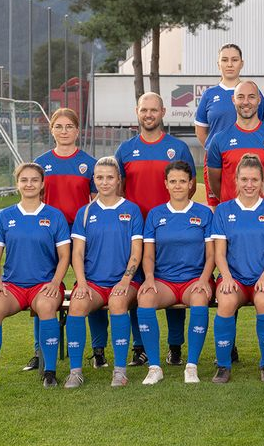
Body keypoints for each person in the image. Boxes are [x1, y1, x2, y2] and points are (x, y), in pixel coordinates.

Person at [115, 92, 196, 367]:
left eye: (153, 110)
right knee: (141, 286)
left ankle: (175, 347)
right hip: (136, 231)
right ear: (136, 112)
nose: (148, 114)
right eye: (143, 110)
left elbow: (190, 185)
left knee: (175, 281)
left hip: (171, 230)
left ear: (163, 112)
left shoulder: (178, 147)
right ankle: (140, 347)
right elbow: (119, 189)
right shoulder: (125, 150)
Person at [0, 163, 71, 390]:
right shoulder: (5, 216)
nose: (29, 184)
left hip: (44, 285)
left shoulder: (54, 216)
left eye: (34, 180)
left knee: (47, 306)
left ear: (42, 184)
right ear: (17, 184)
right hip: (13, 286)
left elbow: (64, 256)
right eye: (24, 180)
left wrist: (55, 282)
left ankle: (49, 373)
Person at [30, 108, 104, 372]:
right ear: (51, 130)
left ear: (77, 130)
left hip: (82, 235)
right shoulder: (41, 163)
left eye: (69, 127)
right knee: (44, 289)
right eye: (58, 127)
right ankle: (39, 351)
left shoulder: (89, 163)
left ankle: (98, 350)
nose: (64, 131)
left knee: (92, 286)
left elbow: (96, 204)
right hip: (50, 236)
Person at [63, 156, 144, 388]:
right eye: (100, 177)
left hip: (125, 282)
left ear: (119, 180)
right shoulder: (85, 213)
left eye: (110, 177)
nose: (105, 182)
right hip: (94, 283)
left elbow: (136, 252)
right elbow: (77, 254)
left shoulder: (132, 210)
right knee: (77, 305)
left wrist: (125, 280)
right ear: (94, 180)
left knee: (118, 303)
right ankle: (75, 371)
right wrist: (82, 283)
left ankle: (119, 371)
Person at [136, 161, 215, 385]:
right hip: (164, 282)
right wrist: (149, 278)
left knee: (200, 298)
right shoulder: (155, 214)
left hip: (194, 280)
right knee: (145, 298)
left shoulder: (203, 213)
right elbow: (148, 255)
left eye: (183, 181)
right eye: (173, 181)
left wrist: (203, 279)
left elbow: (211, 255)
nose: (178, 185)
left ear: (191, 184)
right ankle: (154, 367)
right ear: (166, 184)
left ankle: (191, 366)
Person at [210, 154, 264, 383]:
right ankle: (223, 365)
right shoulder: (223, 211)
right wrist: (226, 277)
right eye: (244, 179)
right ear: (236, 180)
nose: (249, 185)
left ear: (262, 180)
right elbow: (219, 254)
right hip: (235, 277)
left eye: (254, 179)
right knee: (225, 301)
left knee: (263, 300)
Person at [194, 43, 264, 206]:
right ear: (218, 64)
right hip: (218, 160)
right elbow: (201, 132)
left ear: (242, 63)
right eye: (225, 60)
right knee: (217, 205)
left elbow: (263, 125)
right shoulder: (210, 95)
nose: (229, 64)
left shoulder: (253, 92)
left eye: (234, 60)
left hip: (248, 158)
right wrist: (216, 150)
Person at [207, 80, 264, 205]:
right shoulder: (219, 139)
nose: (246, 102)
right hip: (231, 218)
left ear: (259, 99)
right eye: (240, 97)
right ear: (233, 99)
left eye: (251, 97)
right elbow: (215, 183)